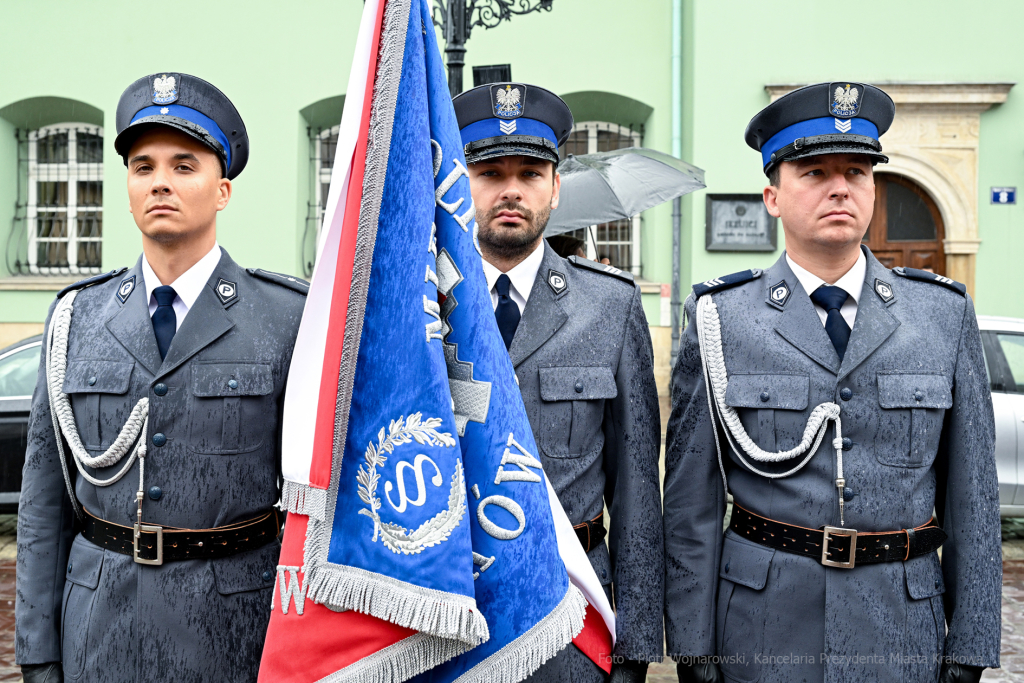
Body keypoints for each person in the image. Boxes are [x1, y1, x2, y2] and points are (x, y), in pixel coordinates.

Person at [662, 82, 1001, 683]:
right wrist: (694, 651)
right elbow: (692, 504)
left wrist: (970, 649)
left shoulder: (940, 315)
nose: (840, 187)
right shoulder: (721, 318)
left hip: (901, 630)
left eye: (857, 172)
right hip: (761, 631)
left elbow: (972, 499)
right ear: (772, 195)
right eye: (814, 172)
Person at [15, 73, 308, 683]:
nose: (161, 183)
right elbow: (44, 503)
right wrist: (39, 652)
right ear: (127, 187)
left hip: (235, 631)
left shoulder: (285, 317)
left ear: (223, 189)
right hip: (99, 626)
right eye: (142, 166)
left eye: (184, 165)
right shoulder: (77, 318)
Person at [453, 82, 663, 683]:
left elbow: (637, 493)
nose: (511, 189)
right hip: (445, 613)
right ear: (460, 186)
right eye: (489, 172)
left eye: (529, 172)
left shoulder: (609, 307)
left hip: (570, 610)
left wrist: (637, 646)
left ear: (555, 187)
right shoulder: (419, 305)